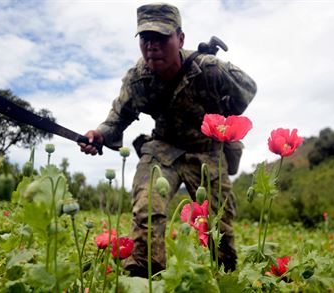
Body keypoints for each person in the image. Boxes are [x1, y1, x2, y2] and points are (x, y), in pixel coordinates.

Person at [79, 3, 257, 277]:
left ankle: (224, 276)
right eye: (145, 39)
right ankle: (144, 275)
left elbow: (247, 92)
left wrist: (219, 91)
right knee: (147, 207)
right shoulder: (138, 79)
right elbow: (118, 117)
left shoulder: (207, 69)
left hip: (206, 150)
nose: (152, 46)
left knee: (219, 222)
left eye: (162, 38)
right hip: (163, 149)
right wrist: (99, 134)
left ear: (181, 39)